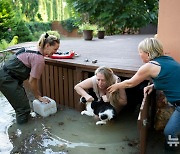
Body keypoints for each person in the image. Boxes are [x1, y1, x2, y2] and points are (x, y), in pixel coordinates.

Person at [107, 38, 180, 150]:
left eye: (140, 52)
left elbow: (130, 83)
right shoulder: (167, 60)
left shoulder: (150, 66)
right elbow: (169, 78)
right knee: (171, 131)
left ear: (148, 53)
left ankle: (171, 150)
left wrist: (116, 86)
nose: (139, 54)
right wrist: (153, 85)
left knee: (169, 132)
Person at [0, 32, 60, 124]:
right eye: (55, 49)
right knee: (23, 110)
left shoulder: (34, 48)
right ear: (47, 45)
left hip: (6, 75)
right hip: (7, 79)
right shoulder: (39, 59)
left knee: (23, 104)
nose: (55, 52)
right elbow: (32, 81)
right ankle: (23, 135)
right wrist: (38, 96)